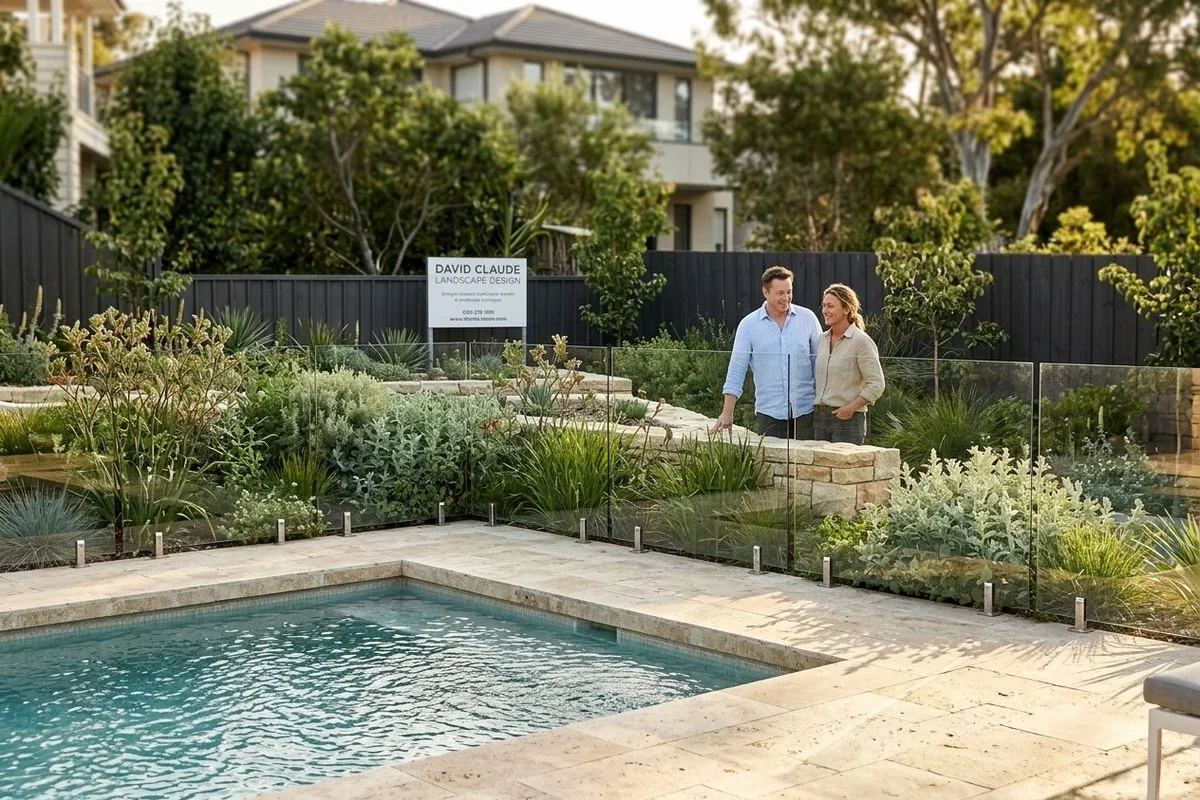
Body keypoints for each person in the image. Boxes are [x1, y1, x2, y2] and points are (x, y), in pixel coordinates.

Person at [715, 266, 821, 438]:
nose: (786, 298)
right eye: (780, 293)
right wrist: (727, 412)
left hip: (806, 413)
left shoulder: (808, 319)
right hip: (770, 414)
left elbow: (820, 364)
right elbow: (736, 370)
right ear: (765, 292)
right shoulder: (748, 325)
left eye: (789, 292)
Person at [813, 283, 885, 445]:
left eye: (830, 306)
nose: (825, 310)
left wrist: (850, 408)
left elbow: (877, 384)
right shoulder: (821, 340)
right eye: (824, 305)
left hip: (848, 421)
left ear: (846, 309)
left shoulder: (861, 341)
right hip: (819, 419)